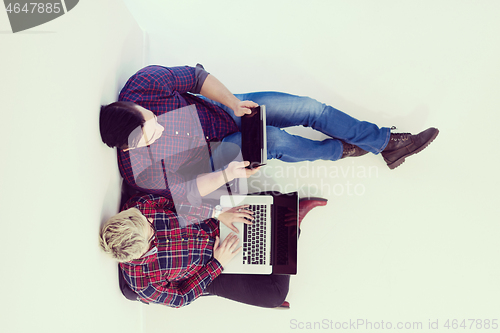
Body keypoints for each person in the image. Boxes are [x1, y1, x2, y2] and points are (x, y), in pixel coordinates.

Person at [99, 64, 439, 207]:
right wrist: (226, 175)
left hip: (223, 111)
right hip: (217, 153)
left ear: (133, 104)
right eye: (148, 139)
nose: (155, 131)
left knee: (307, 108)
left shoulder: (145, 84)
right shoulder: (138, 170)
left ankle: (385, 143)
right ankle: (339, 150)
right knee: (273, 140)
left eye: (150, 122)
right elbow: (187, 192)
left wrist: (232, 102)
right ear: (129, 148)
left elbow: (195, 77)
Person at [99, 193, 322, 308]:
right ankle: (294, 226)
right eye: (150, 228)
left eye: (146, 219)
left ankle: (287, 224)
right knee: (275, 295)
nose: (150, 220)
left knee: (275, 200)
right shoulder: (143, 283)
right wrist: (217, 264)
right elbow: (181, 298)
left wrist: (217, 212)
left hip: (212, 224)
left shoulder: (138, 209)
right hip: (209, 269)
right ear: (143, 250)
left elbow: (174, 203)